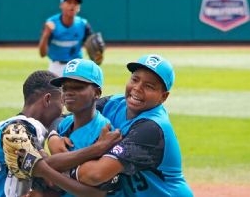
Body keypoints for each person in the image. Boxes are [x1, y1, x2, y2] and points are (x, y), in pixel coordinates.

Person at [47, 54, 193, 196]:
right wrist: (53, 136)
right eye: (135, 79)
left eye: (149, 86)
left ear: (163, 96)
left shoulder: (152, 128)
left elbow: (96, 175)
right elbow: (67, 116)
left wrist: (60, 166)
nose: (137, 88)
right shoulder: (114, 104)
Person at [0, 70, 121, 197]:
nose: (62, 111)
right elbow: (47, 173)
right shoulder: (16, 132)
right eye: (61, 104)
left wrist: (53, 136)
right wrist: (97, 149)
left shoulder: (16, 126)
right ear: (48, 99)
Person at [47, 59, 123, 197]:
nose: (68, 92)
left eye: (77, 87)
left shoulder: (106, 133)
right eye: (65, 88)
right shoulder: (65, 124)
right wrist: (53, 137)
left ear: (97, 93)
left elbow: (102, 190)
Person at [38, 0, 93, 77]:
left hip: (77, 67)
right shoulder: (51, 23)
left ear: (79, 7)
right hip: (56, 67)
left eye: (76, 3)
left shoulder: (83, 25)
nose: (72, 6)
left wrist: (97, 54)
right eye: (69, 2)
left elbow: (93, 51)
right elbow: (42, 54)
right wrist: (46, 35)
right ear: (61, 5)